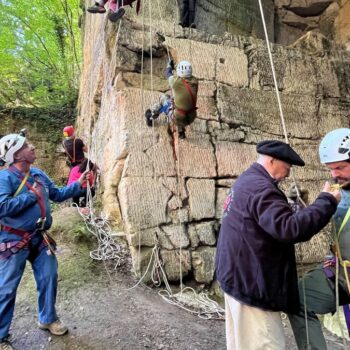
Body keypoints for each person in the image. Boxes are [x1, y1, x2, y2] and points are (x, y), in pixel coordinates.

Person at [215, 140, 340, 350]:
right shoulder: (263, 189)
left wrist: (291, 206)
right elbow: (290, 229)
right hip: (252, 287)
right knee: (266, 344)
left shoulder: (248, 180)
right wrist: (326, 201)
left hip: (237, 277)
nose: (289, 174)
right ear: (272, 160)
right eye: (287, 167)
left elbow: (268, 219)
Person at [0, 133, 88, 350]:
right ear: (16, 154)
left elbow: (57, 194)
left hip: (39, 238)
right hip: (14, 240)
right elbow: (2, 207)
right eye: (27, 145)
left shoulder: (38, 174)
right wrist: (32, 196)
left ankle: (47, 318)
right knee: (7, 288)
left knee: (49, 276)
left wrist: (79, 184)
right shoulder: (4, 179)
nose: (33, 147)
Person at [289, 128, 350, 350]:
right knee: (296, 299)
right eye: (331, 169)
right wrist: (307, 206)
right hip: (340, 274)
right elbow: (327, 220)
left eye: (341, 167)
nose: (335, 175)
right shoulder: (339, 191)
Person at [145, 59, 198, 139]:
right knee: (179, 104)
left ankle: (151, 116)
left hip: (178, 118)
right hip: (191, 117)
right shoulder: (195, 81)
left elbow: (168, 73)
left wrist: (169, 65)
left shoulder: (176, 82)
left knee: (164, 98)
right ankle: (181, 131)